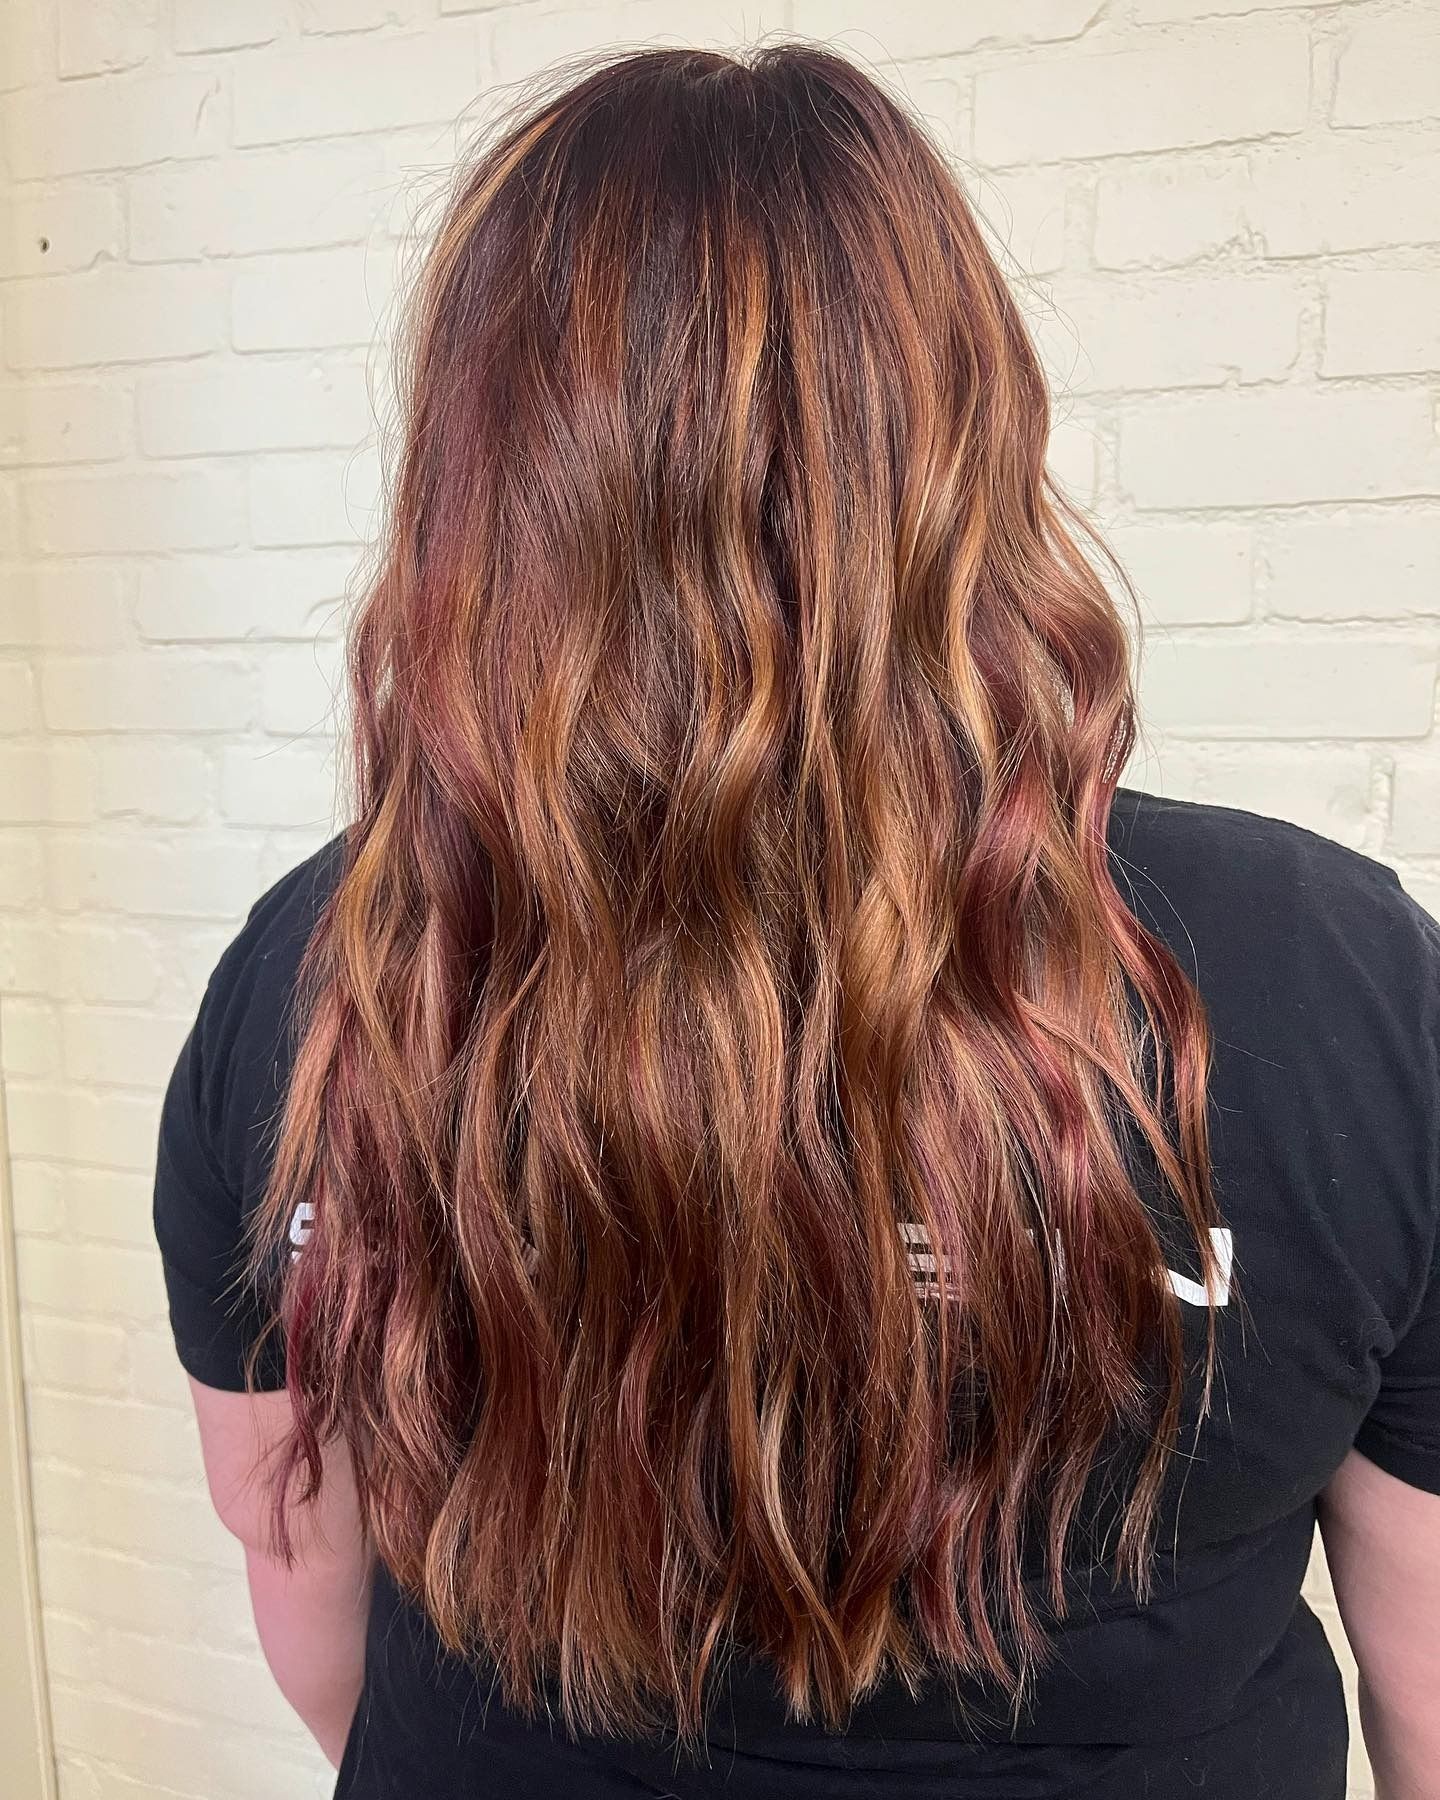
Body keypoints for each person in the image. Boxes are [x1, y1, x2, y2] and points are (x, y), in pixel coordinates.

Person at [151, 42, 1440, 1800]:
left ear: (490, 482)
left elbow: (303, 1581)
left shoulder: (325, 975)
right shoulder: (1339, 973)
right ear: (969, 431)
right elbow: (1424, 1661)